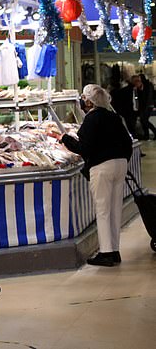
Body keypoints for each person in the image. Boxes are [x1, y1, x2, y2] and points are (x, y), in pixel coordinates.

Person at [60, 84, 133, 267]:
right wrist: (122, 160)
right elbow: (127, 142)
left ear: (89, 101)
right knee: (115, 209)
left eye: (84, 98)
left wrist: (66, 139)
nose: (82, 101)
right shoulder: (113, 116)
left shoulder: (92, 119)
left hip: (102, 168)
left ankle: (106, 252)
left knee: (102, 210)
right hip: (120, 164)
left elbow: (84, 148)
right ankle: (115, 250)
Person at [137, 74, 155, 140]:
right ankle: (146, 135)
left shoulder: (148, 85)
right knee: (143, 121)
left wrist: (145, 107)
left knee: (144, 120)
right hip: (144, 106)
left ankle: (153, 133)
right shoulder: (142, 86)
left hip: (148, 106)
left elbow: (148, 97)